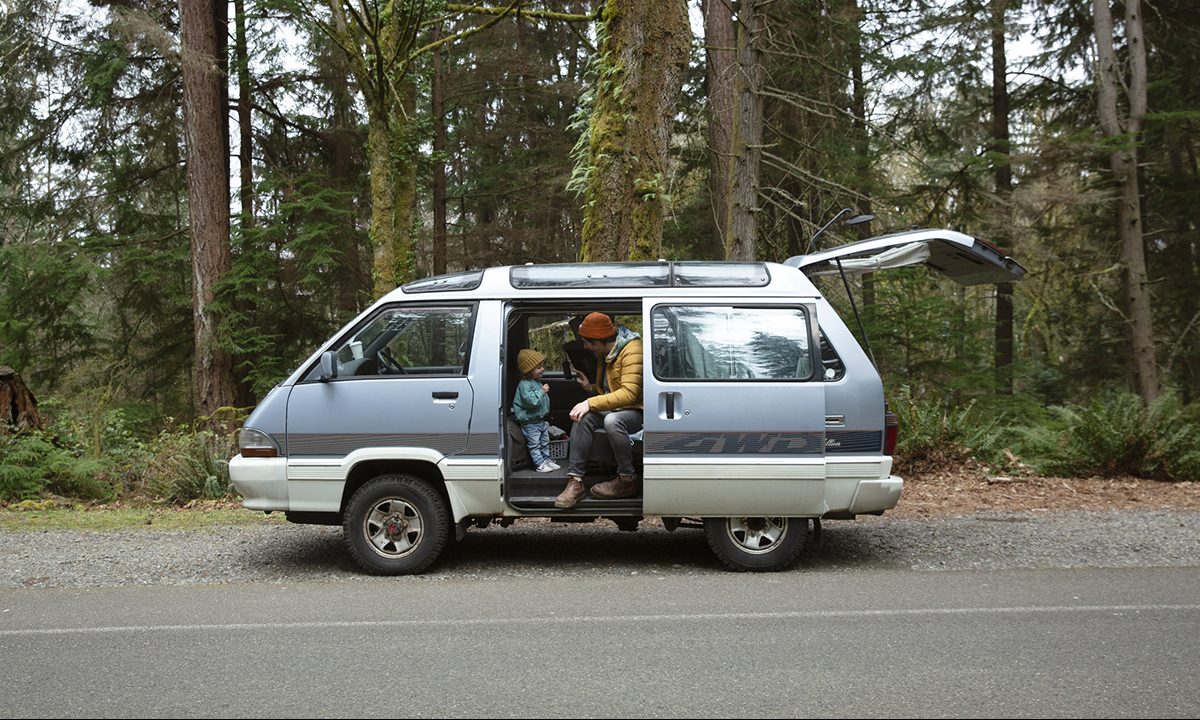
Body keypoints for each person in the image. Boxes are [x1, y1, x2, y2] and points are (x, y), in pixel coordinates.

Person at [554, 312, 643, 508]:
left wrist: (589, 402)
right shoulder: (605, 353)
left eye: (587, 343)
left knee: (613, 421)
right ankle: (575, 482)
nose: (585, 347)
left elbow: (629, 394)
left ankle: (627, 479)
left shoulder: (632, 350)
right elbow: (609, 390)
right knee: (582, 417)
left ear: (598, 341)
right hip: (617, 407)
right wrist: (591, 389)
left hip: (637, 411)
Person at [512, 349, 560, 473]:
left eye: (542, 366)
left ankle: (546, 459)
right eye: (538, 367)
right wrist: (542, 391)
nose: (542, 369)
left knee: (545, 442)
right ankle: (539, 463)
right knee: (535, 444)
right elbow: (531, 401)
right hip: (530, 422)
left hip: (539, 420)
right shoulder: (524, 385)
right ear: (528, 370)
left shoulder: (535, 382)